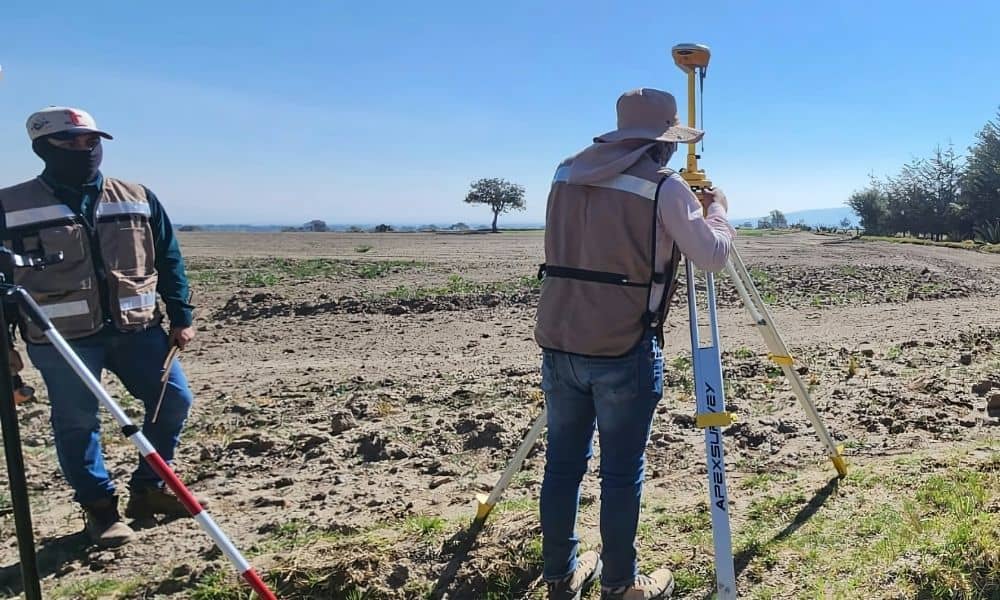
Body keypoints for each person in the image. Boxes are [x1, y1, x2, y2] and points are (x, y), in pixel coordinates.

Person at [534, 88, 735, 600]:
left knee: (562, 465)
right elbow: (710, 255)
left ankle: (560, 574)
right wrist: (717, 209)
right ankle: (621, 584)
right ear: (663, 143)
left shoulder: (565, 172)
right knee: (621, 473)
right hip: (624, 346)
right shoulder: (664, 186)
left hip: (560, 339)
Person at [0, 106, 200, 548]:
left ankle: (148, 490)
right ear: (42, 147)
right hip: (61, 338)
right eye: (69, 141)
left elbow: (168, 257)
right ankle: (100, 509)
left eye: (91, 141)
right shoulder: (10, 206)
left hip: (139, 330)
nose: (84, 149)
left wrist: (181, 315)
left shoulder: (136, 195)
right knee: (77, 422)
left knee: (173, 402)